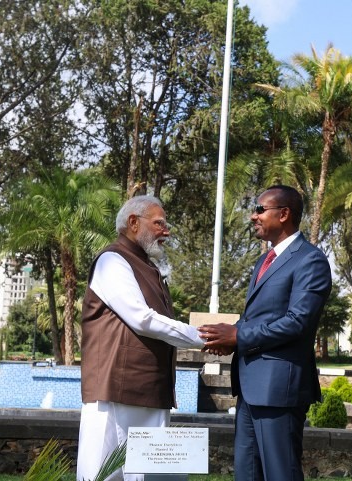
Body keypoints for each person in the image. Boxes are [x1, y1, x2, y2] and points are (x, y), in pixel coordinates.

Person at [199, 185, 332, 481]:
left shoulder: (310, 260)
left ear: (283, 214)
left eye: (260, 209)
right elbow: (258, 318)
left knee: (280, 473)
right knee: (247, 473)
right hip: (250, 388)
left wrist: (238, 336)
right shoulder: (264, 260)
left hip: (279, 389)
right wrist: (231, 338)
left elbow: (298, 321)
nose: (253, 216)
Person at [76, 195, 205, 481]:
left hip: (149, 389)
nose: (166, 231)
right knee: (105, 474)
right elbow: (141, 318)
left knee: (150, 475)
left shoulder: (146, 266)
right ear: (133, 222)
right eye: (159, 223)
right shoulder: (112, 260)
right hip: (114, 390)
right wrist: (203, 337)